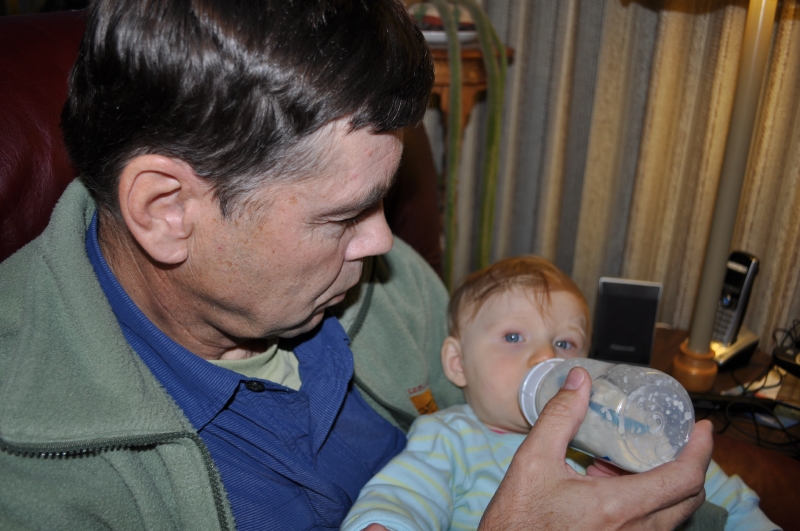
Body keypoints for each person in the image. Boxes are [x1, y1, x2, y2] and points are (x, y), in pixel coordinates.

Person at [0, 1, 713, 530]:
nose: (383, 242)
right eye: (343, 216)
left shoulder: (386, 290)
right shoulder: (29, 475)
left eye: (383, 201)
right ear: (166, 209)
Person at [342, 256, 777, 531]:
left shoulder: (608, 424)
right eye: (514, 337)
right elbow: (403, 497)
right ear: (458, 363)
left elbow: (702, 482)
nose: (546, 357)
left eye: (565, 343)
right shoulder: (449, 436)